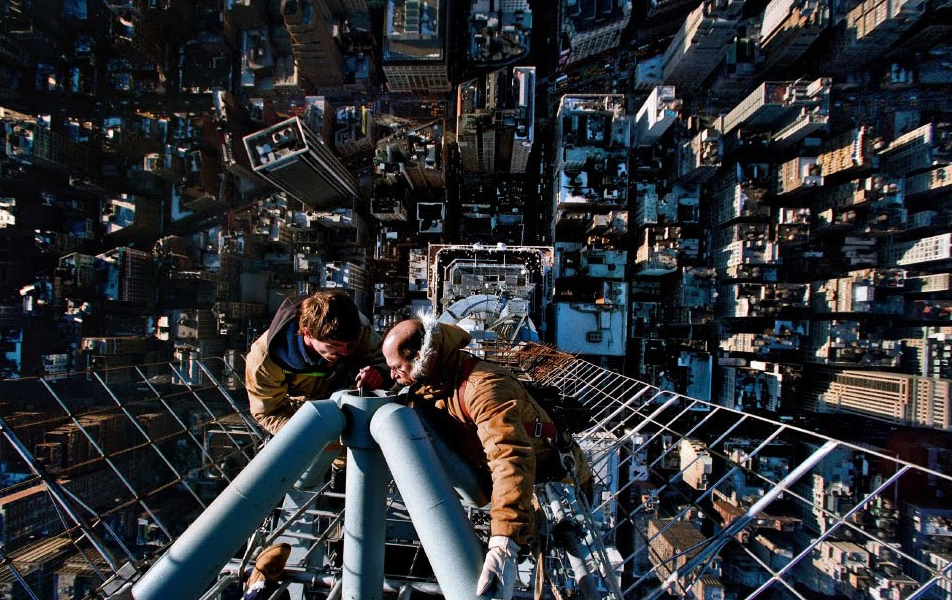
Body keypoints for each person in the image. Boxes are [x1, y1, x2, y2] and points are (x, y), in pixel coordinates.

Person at [382, 317, 591, 600]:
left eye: (396, 368)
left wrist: (504, 540)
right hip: (517, 478)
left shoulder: (483, 387)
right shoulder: (436, 376)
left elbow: (511, 457)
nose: (393, 375)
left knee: (558, 543)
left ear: (420, 358)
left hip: (553, 479)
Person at [245, 289, 389, 434]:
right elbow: (268, 413)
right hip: (308, 416)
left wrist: (379, 371)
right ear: (307, 333)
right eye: (335, 346)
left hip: (357, 403)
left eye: (349, 345)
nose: (345, 352)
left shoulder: (356, 326)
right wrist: (310, 434)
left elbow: (387, 360)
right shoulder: (266, 360)